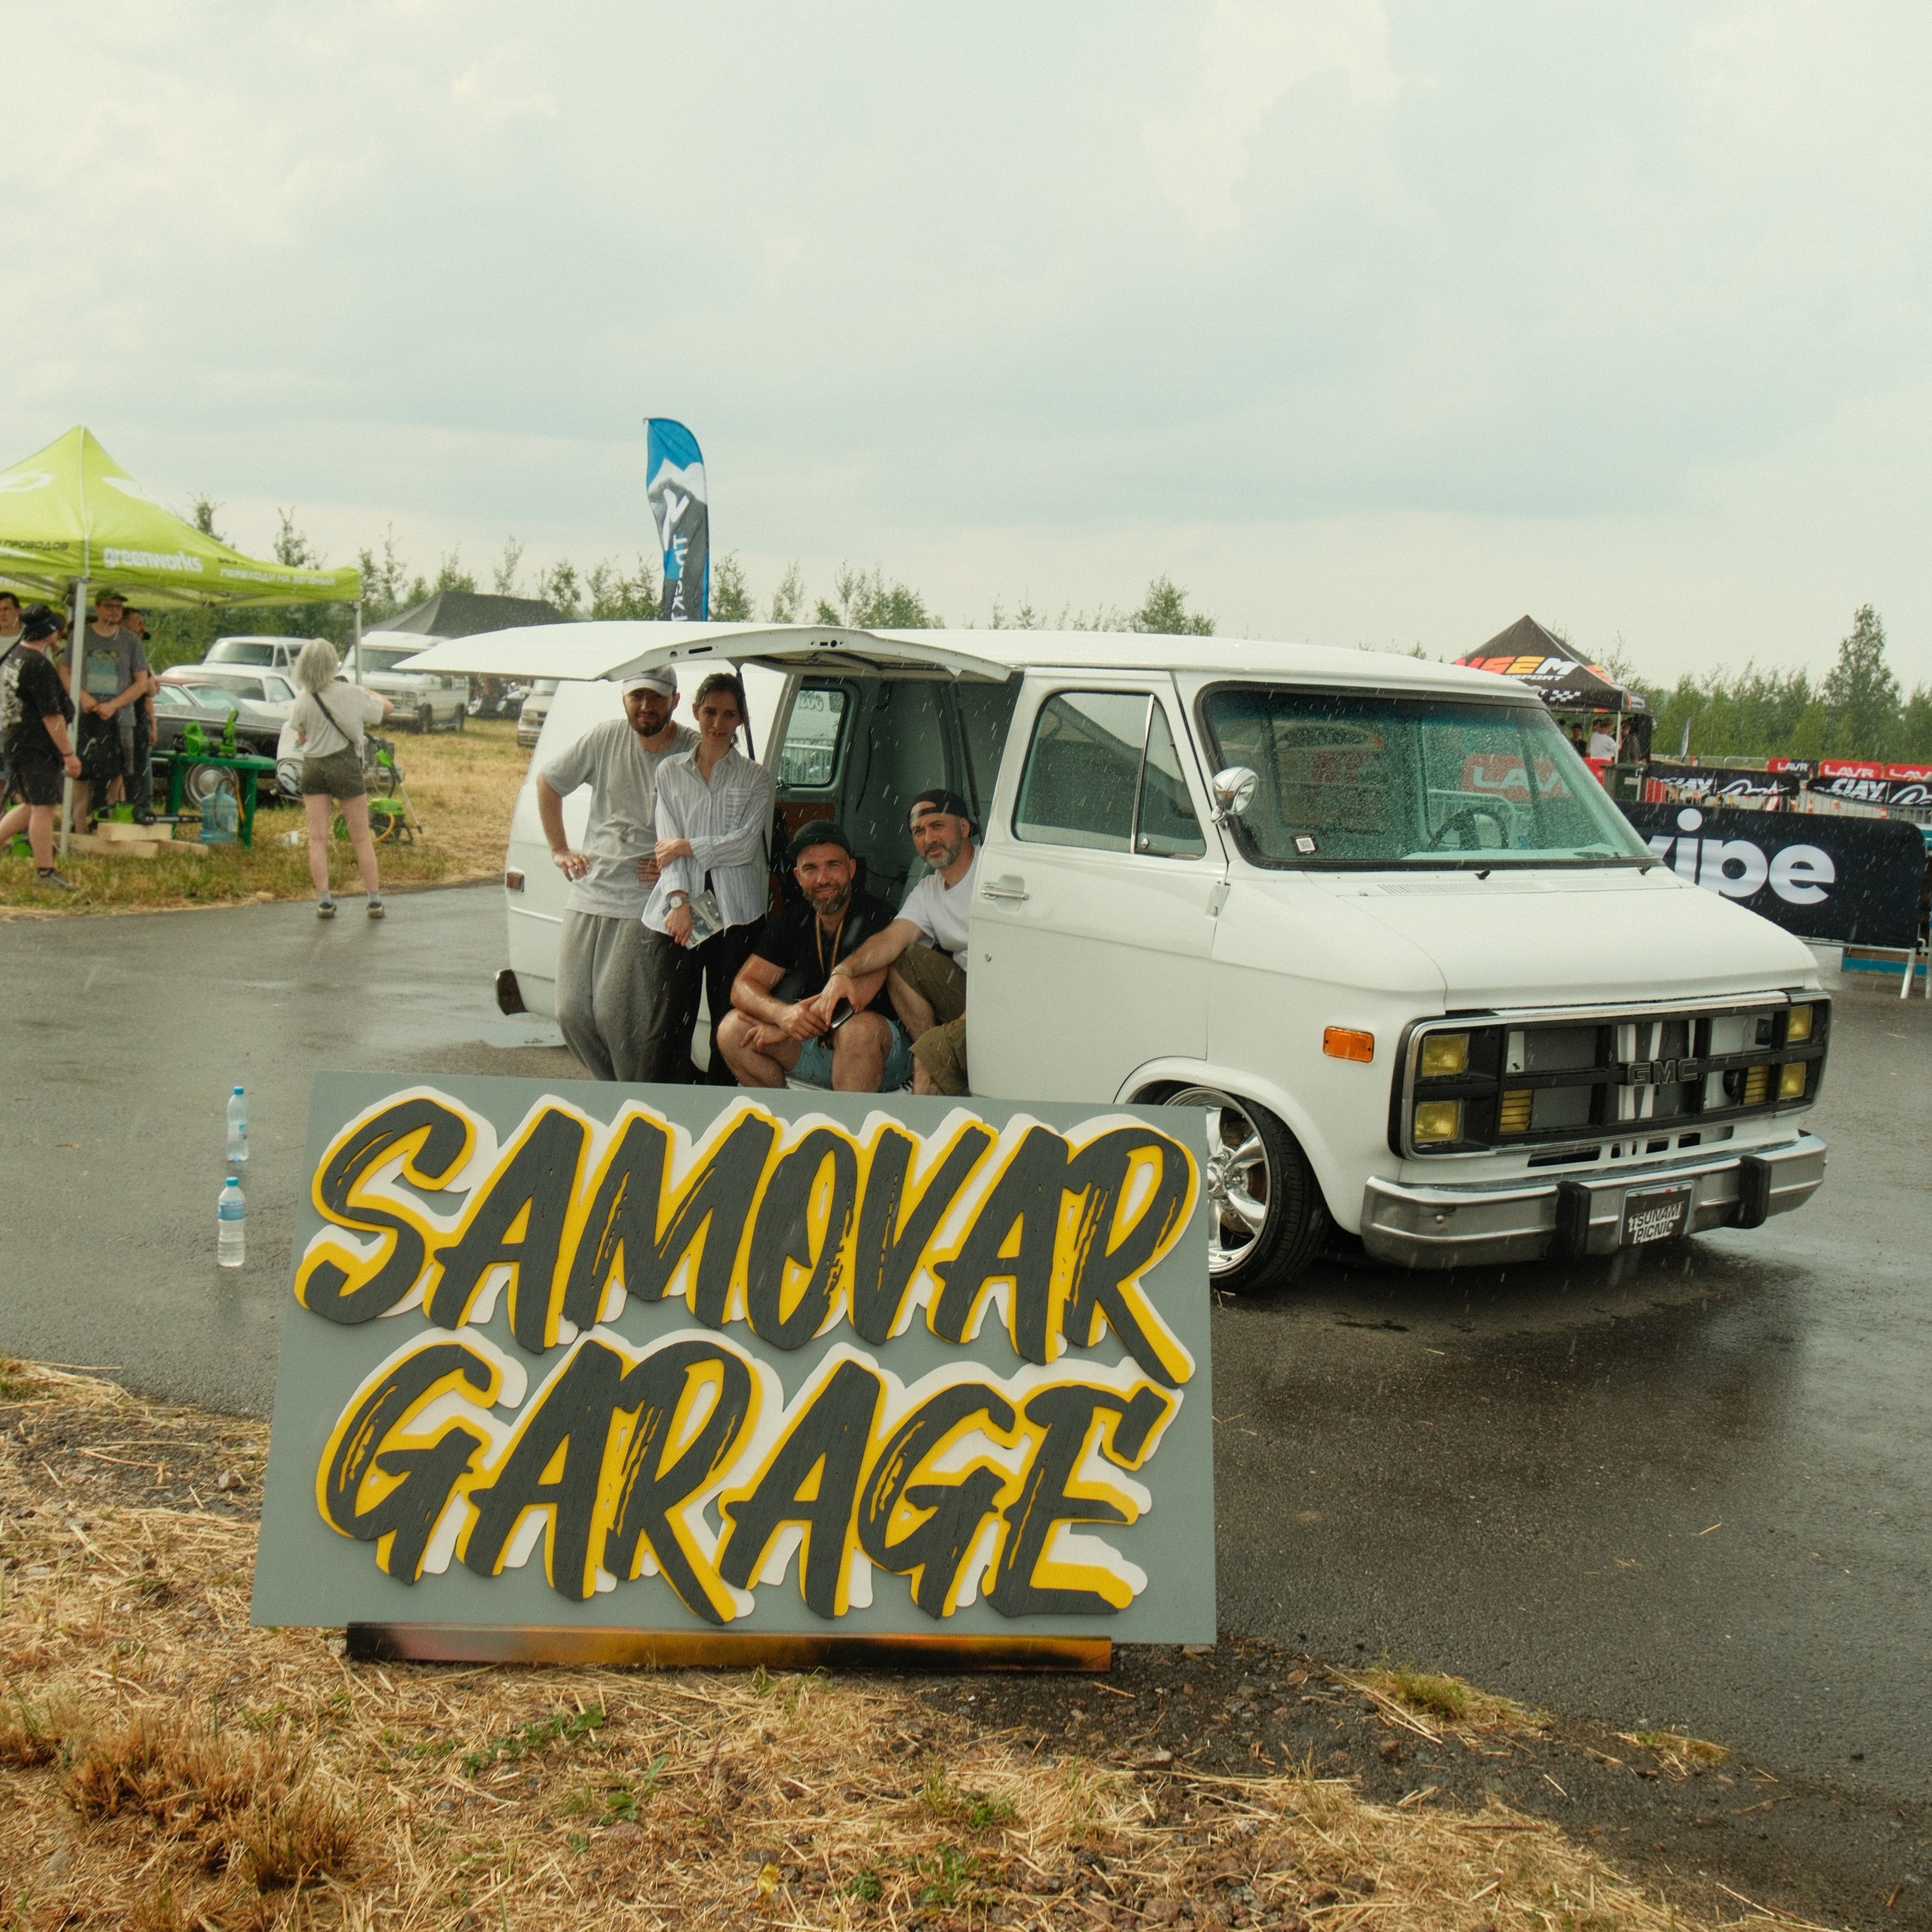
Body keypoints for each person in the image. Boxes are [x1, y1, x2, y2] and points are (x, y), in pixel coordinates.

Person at [537, 669, 697, 1082]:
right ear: (624, 699)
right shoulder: (604, 738)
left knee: (617, 1014)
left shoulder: (694, 748)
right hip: (590, 890)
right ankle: (611, 1092)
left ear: (675, 701)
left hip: (645, 899)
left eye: (656, 697)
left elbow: (728, 815)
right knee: (570, 1012)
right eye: (637, 696)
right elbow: (548, 782)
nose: (646, 706)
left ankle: (633, 1101)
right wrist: (559, 849)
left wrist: (682, 856)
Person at [641, 672, 776, 1082]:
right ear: (696, 711)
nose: (718, 723)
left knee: (728, 1020)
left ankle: (720, 1109)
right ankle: (658, 1108)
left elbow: (743, 846)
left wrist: (688, 845)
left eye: (729, 714)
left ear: (741, 720)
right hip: (682, 910)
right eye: (711, 712)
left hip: (736, 913)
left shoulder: (756, 777)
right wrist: (680, 902)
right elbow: (666, 843)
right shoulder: (670, 771)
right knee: (668, 1022)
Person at [717, 823, 915, 1092]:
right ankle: (785, 1121)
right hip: (814, 1046)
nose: (823, 879)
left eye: (833, 865)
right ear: (798, 876)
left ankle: (846, 1130)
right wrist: (781, 1014)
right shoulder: (790, 921)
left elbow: (852, 1002)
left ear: (851, 869)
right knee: (732, 1030)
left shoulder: (878, 917)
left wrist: (786, 1028)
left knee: (858, 1029)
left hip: (877, 1053)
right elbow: (742, 987)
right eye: (811, 869)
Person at [808, 788, 976, 1095]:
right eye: (918, 831)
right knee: (900, 955)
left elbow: (1012, 962)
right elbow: (889, 939)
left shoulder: (993, 874)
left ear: (964, 828)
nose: (929, 839)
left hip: (1008, 995)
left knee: (931, 1056)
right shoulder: (929, 890)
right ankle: (939, 1054)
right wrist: (842, 972)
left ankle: (937, 1064)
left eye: (937, 826)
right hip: (967, 988)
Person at [289, 638, 393, 919]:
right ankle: (373, 900)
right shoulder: (350, 692)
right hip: (344, 764)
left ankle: (324, 900)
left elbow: (301, 736)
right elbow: (387, 708)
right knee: (360, 837)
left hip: (313, 766)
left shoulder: (303, 698)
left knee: (318, 837)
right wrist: (366, 691)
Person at [0, 605, 84, 891]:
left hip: (15, 740)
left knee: (31, 805)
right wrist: (68, 754)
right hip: (36, 745)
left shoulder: (14, 656)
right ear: (48, 631)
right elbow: (52, 715)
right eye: (57, 629)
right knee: (44, 807)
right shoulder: (38, 665)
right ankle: (45, 872)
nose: (60, 633)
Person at [71, 588, 150, 826]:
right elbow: (64, 670)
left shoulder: (131, 641)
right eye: (109, 606)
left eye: (118, 607)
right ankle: (79, 827)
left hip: (122, 717)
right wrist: (82, 696)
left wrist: (114, 704)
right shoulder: (81, 636)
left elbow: (142, 682)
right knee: (81, 772)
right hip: (86, 714)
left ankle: (106, 822)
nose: (114, 611)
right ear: (96, 608)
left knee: (119, 771)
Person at [121, 605, 158, 811]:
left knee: (138, 768)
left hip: (137, 716)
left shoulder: (138, 653)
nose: (142, 628)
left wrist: (153, 724)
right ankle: (136, 808)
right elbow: (150, 689)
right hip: (126, 716)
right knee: (132, 769)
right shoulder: (123, 650)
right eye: (138, 623)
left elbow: (149, 693)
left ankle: (140, 807)